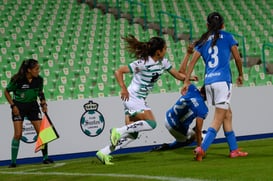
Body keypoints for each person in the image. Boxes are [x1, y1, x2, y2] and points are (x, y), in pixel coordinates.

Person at [96, 35, 196, 165]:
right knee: (151, 123)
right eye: (165, 48)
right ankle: (118, 131)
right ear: (158, 51)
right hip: (132, 97)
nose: (166, 50)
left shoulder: (163, 62)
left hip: (138, 99)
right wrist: (123, 88)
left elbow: (178, 75)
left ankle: (104, 152)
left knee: (133, 134)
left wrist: (189, 76)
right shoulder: (143, 63)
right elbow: (118, 71)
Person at [181, 12, 248, 161]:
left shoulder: (203, 41)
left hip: (209, 83)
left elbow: (192, 63)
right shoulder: (228, 37)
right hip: (223, 82)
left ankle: (234, 150)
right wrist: (240, 74)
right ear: (223, 25)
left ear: (207, 25)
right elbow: (237, 58)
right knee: (218, 119)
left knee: (227, 114)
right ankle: (202, 148)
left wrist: (186, 81)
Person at [152, 45, 208, 151]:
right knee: (195, 136)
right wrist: (199, 147)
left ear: (201, 89)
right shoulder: (203, 108)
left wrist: (187, 54)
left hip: (167, 117)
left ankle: (168, 145)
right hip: (176, 127)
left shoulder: (192, 88)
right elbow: (199, 128)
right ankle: (167, 147)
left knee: (194, 132)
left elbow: (181, 73)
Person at [4, 59, 54, 167]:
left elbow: (40, 93)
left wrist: (44, 104)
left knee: (42, 133)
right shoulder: (17, 80)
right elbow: (6, 91)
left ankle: (45, 158)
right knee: (18, 134)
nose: (38, 71)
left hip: (33, 106)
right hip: (19, 107)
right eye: (36, 69)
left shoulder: (39, 80)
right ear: (29, 70)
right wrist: (13, 106)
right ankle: (13, 162)